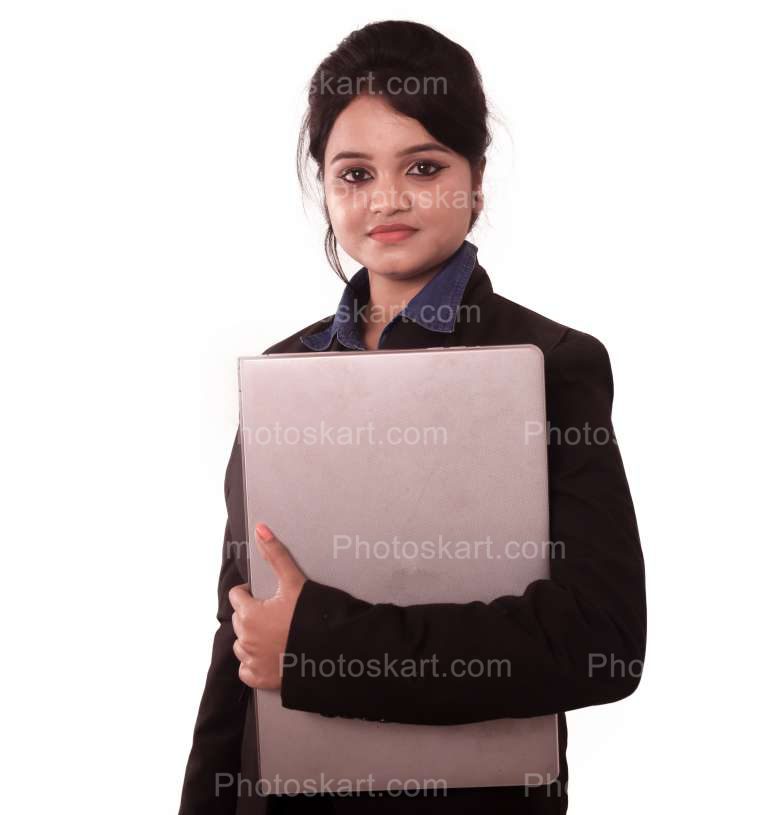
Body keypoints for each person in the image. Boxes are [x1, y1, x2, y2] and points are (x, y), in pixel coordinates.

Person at [178, 19, 646, 815]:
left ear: (477, 178)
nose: (386, 200)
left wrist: (319, 644)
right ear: (323, 188)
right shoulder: (282, 376)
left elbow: (599, 642)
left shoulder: (553, 365)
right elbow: (240, 641)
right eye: (353, 174)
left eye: (423, 167)